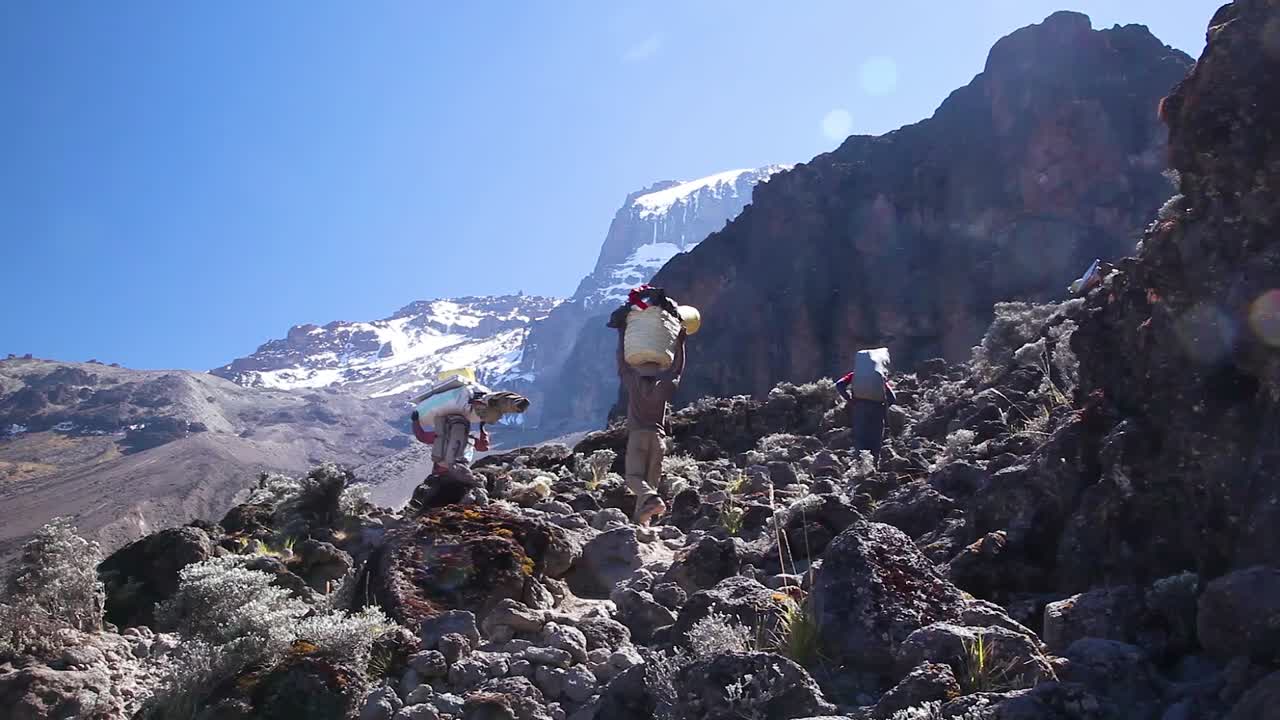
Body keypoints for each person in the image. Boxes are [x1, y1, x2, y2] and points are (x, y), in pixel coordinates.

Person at [616, 323, 687, 526]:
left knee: (633, 478)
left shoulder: (632, 383)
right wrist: (681, 343)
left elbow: (621, 363)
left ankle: (652, 504)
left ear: (639, 370)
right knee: (651, 482)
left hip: (638, 436)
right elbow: (677, 370)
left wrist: (621, 333)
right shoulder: (664, 387)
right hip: (658, 438)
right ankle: (642, 523)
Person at [834, 349, 897, 468]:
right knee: (875, 440)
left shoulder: (854, 375)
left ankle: (858, 469)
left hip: (859, 408)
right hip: (877, 409)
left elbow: (839, 385)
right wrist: (883, 407)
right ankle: (874, 468)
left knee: (860, 437)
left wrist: (850, 400)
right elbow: (892, 397)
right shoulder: (880, 378)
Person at [411, 408, 489, 484]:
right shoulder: (469, 439)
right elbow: (484, 447)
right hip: (461, 475)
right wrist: (482, 430)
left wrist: (415, 421)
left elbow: (421, 436)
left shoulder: (440, 436)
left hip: (439, 475)